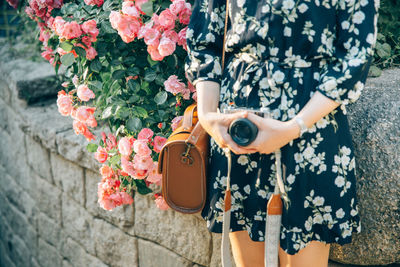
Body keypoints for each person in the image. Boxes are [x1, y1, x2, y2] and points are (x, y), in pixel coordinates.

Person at [184, 0, 380, 266]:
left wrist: (293, 127)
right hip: (237, 130)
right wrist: (208, 115)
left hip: (310, 134)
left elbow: (354, 57)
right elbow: (206, 37)